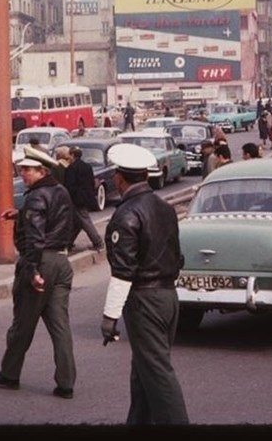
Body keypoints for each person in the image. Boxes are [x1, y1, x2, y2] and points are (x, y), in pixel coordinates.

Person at [100, 143, 189, 424]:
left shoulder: (126, 214)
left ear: (119, 178)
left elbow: (123, 271)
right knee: (144, 370)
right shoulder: (166, 208)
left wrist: (110, 315)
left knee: (157, 373)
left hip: (144, 300)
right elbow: (178, 255)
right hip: (168, 296)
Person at [0, 157, 76, 398]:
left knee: (22, 325)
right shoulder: (60, 191)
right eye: (21, 169)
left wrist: (33, 271)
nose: (23, 173)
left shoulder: (36, 196)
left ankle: (10, 374)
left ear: (42, 171)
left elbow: (36, 239)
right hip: (61, 261)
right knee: (60, 327)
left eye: (28, 169)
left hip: (41, 262)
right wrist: (21, 214)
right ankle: (66, 383)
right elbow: (57, 218)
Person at [64, 145, 105, 253]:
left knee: (84, 221)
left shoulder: (71, 168)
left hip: (76, 199)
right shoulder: (87, 166)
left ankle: (98, 242)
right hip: (86, 197)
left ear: (72, 155)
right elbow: (91, 182)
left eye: (69, 154)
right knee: (77, 222)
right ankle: (67, 243)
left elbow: (69, 186)